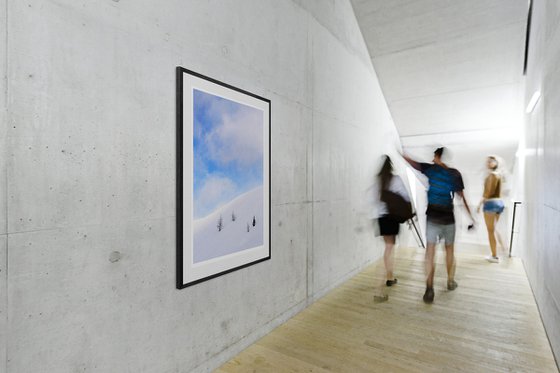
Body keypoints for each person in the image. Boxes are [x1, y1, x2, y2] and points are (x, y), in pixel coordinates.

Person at [402, 147, 475, 304]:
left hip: (433, 217)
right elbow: (462, 199)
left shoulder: (431, 169)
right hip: (448, 218)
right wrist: (471, 218)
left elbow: (412, 163)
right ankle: (450, 281)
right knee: (449, 250)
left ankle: (429, 288)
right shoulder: (454, 174)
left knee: (430, 252)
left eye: (433, 157)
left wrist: (402, 152)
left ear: (436, 156)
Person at [373, 155, 411, 302]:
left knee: (388, 247)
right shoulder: (395, 179)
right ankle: (378, 290)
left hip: (381, 218)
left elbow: (372, 201)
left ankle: (390, 277)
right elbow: (406, 198)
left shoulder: (378, 181)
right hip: (392, 218)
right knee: (389, 249)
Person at [477, 156, 506, 263]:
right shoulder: (499, 175)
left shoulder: (491, 176)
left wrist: (479, 204)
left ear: (495, 163)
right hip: (499, 203)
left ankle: (494, 256)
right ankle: (503, 249)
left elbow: (488, 192)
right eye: (488, 161)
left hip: (490, 203)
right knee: (494, 229)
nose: (488, 163)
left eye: (491, 161)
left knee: (491, 231)